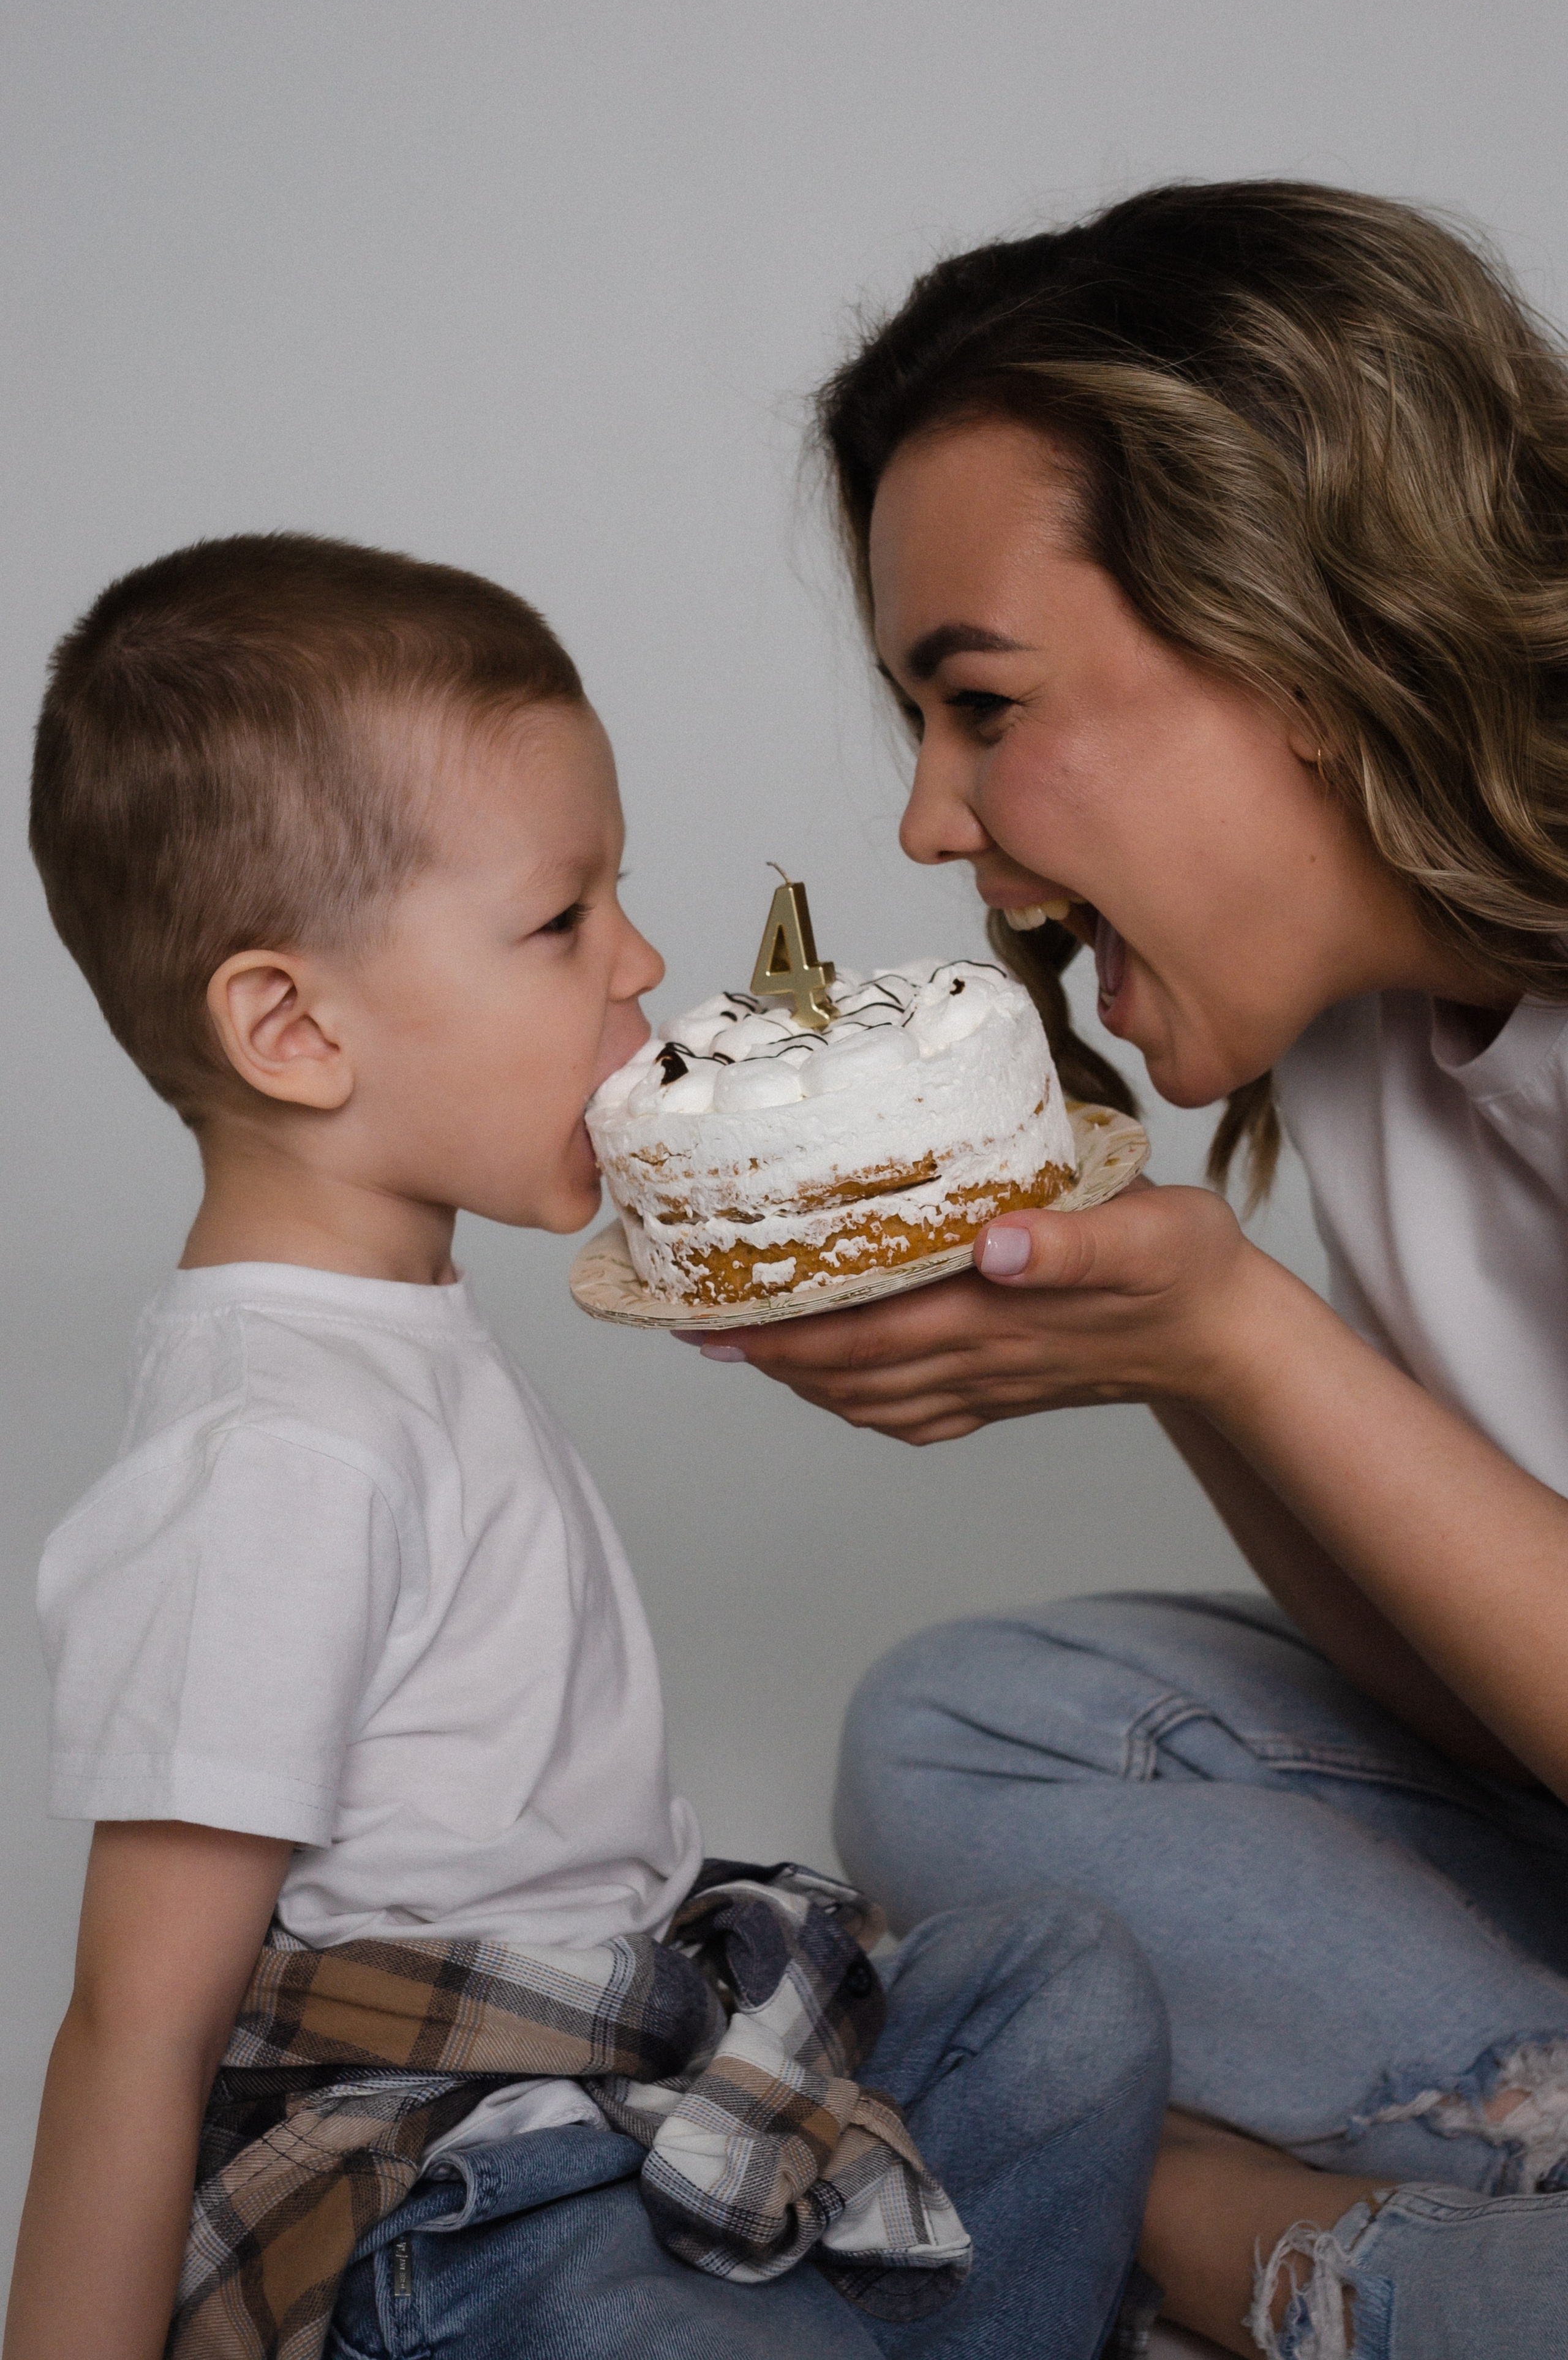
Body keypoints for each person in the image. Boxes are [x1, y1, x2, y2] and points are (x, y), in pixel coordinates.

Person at [3, 534, 1169, 2360]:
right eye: (563, 922)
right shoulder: (272, 1450)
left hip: (625, 2089)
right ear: (295, 1029)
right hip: (456, 2202)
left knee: (1064, 1990)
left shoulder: (398, 1338)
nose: (638, 960)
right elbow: (138, 2025)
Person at [712, 183, 1568, 2359]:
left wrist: (1245, 1333)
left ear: (1302, 634)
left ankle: (1256, 2246)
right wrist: (1189, 1357)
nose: (928, 818)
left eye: (979, 701)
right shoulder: (1374, 1031)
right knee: (969, 1723)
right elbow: (1472, 1693)